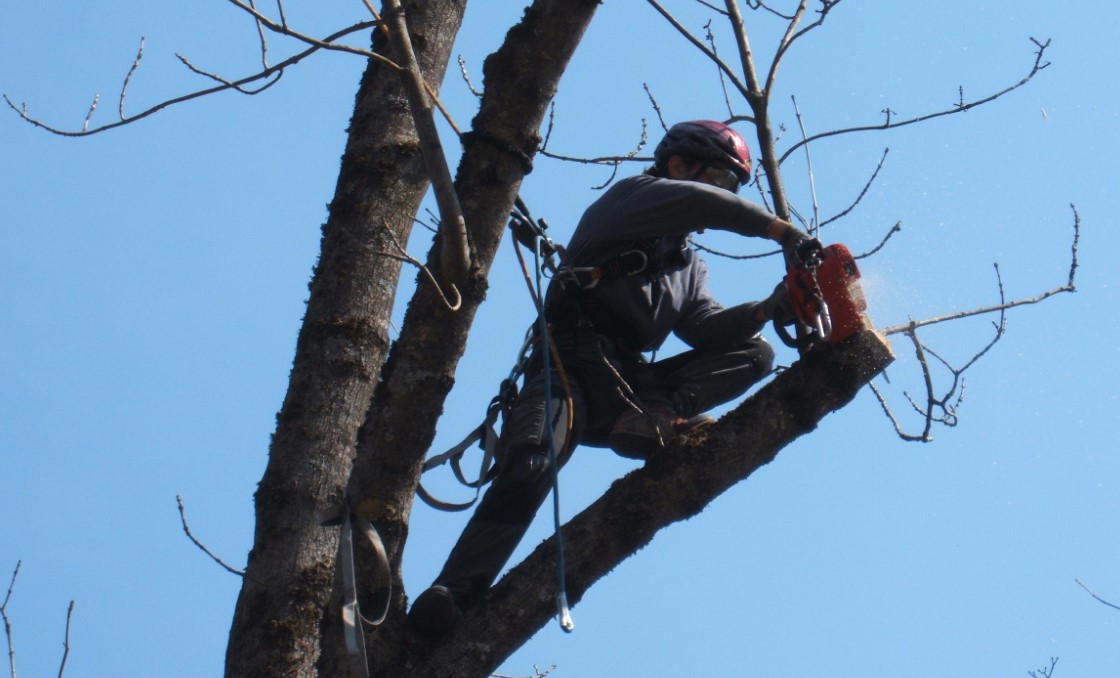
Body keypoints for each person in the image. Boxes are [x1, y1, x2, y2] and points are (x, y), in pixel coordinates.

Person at [409, 119, 815, 635]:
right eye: (721, 179)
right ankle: (454, 593)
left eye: (732, 187)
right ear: (679, 166)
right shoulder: (635, 197)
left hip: (628, 389)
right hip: (566, 368)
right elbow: (704, 204)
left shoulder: (688, 265)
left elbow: (707, 328)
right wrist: (784, 231)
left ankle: (656, 415)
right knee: (530, 465)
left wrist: (768, 307)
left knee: (756, 353)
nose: (723, 195)